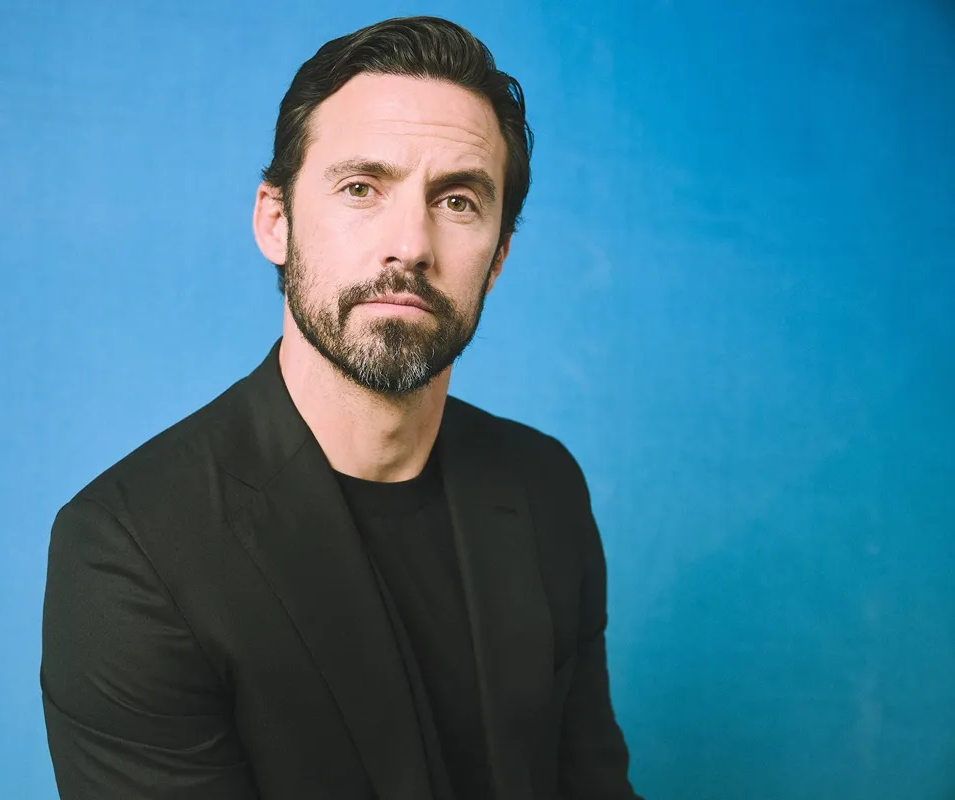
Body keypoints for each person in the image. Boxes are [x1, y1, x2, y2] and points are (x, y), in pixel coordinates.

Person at [41, 15, 640, 799]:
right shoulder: (130, 551)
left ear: (496, 260)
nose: (410, 243)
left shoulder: (543, 486)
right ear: (276, 222)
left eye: (457, 201)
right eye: (362, 188)